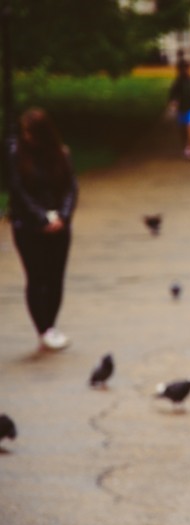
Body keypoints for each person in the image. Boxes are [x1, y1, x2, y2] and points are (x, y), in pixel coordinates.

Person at [7, 108, 79, 351]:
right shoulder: (17, 156)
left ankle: (51, 325)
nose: (26, 137)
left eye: (30, 132)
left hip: (59, 221)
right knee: (37, 277)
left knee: (55, 276)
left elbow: (71, 188)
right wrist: (40, 218)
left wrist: (63, 216)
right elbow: (18, 192)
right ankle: (44, 329)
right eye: (24, 132)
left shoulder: (61, 154)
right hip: (28, 226)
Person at [168, 61, 190, 159]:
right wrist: (173, 102)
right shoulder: (178, 82)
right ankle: (185, 146)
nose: (185, 71)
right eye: (183, 69)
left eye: (187, 68)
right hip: (181, 109)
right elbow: (172, 94)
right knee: (183, 130)